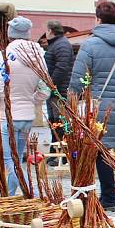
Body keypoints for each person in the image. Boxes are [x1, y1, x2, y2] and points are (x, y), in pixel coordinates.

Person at [69, 1, 115, 211]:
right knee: (103, 152)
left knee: (92, 151)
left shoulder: (90, 45)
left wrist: (71, 101)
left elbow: (78, 80)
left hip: (95, 108)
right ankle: (106, 195)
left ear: (97, 19)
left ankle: (101, 197)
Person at [0, 16, 49, 195]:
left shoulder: (4, 55)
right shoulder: (38, 55)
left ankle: (32, 195)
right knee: (16, 159)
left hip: (8, 115)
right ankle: (9, 195)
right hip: (27, 116)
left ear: (9, 35)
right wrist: (31, 100)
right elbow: (45, 89)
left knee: (9, 160)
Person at [44, 20, 74, 162]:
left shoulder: (61, 45)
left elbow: (61, 68)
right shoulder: (58, 44)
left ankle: (61, 156)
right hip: (56, 90)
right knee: (55, 122)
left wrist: (50, 85)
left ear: (50, 31)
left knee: (60, 122)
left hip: (59, 91)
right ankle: (54, 154)